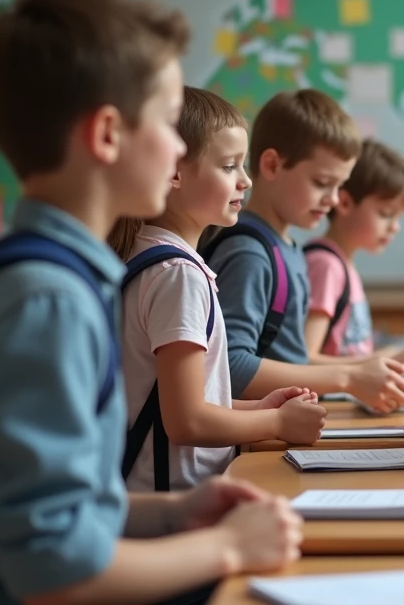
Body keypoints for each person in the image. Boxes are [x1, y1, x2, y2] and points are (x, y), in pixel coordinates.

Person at [0, 0, 301, 605]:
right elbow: (54, 572)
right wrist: (229, 547)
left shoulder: (64, 280)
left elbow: (70, 515)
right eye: (167, 124)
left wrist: (177, 510)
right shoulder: (44, 303)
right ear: (107, 134)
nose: (182, 150)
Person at [109, 86, 327, 493]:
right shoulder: (177, 275)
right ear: (173, 171)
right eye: (229, 166)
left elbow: (166, 401)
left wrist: (255, 409)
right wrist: (277, 423)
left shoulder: (150, 258)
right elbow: (187, 420)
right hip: (175, 501)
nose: (245, 180)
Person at [202, 89, 404, 414]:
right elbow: (230, 366)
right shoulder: (250, 253)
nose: (334, 199)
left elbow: (294, 357)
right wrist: (346, 377)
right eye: (322, 182)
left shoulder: (286, 248)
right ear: (272, 165)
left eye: (339, 185)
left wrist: (366, 369)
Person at [303, 138, 404, 366]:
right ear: (344, 203)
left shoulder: (343, 265)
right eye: (386, 213)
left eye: (398, 217)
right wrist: (383, 359)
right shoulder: (326, 266)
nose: (395, 226)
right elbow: (307, 360)